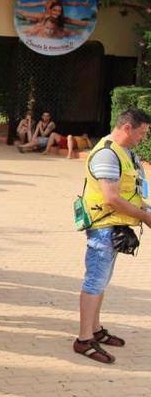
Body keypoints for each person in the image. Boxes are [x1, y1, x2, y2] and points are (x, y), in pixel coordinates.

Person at [73, 108, 151, 364]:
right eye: (142, 132)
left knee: (102, 280)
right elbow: (111, 198)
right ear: (127, 128)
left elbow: (132, 191)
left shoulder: (125, 153)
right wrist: (145, 217)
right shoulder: (107, 154)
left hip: (115, 227)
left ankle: (94, 329)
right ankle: (84, 339)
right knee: (95, 280)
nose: (143, 138)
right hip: (103, 226)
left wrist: (145, 212)